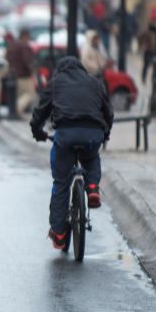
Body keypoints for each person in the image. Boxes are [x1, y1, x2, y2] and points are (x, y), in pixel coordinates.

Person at [30, 57, 114, 250]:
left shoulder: (56, 83)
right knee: (92, 156)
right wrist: (105, 134)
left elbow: (40, 112)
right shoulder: (94, 82)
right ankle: (92, 187)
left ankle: (59, 233)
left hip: (66, 135)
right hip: (93, 134)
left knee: (60, 182)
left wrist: (38, 133)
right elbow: (108, 112)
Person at [6, 28, 37, 117]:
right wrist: (32, 69)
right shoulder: (24, 46)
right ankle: (17, 109)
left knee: (19, 96)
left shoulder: (12, 46)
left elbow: (7, 58)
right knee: (29, 95)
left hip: (13, 75)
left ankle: (16, 111)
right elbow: (27, 60)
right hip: (24, 75)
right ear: (25, 36)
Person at [138, 7, 156, 84]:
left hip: (154, 51)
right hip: (148, 50)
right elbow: (140, 37)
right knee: (146, 66)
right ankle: (143, 78)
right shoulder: (147, 31)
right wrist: (142, 45)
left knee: (155, 66)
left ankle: (153, 79)